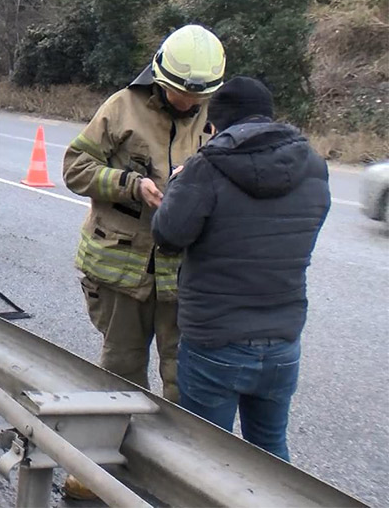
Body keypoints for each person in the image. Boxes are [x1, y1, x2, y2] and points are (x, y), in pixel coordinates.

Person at [152, 77, 329, 461]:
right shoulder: (313, 166)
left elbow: (168, 235)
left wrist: (179, 184)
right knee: (269, 453)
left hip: (216, 339)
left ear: (216, 125)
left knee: (207, 457)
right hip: (283, 341)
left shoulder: (206, 167)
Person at [63, 24, 226, 405]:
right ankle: (118, 458)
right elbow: (75, 168)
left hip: (182, 274)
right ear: (159, 77)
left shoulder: (214, 118)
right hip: (120, 268)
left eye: (197, 97)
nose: (189, 104)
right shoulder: (122, 108)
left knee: (183, 377)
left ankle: (174, 460)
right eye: (181, 94)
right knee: (122, 373)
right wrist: (130, 184)